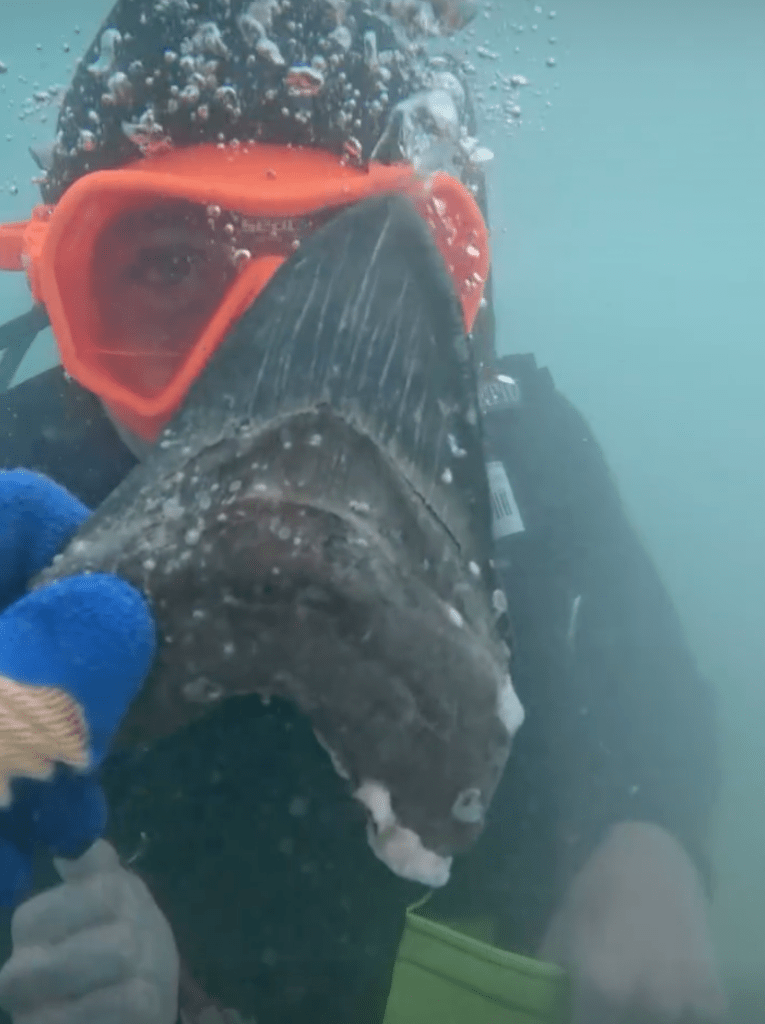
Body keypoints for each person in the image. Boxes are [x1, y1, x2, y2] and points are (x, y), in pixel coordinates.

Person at [0, 2, 727, 1023]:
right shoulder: (12, 483)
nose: (266, 383)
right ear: (62, 285)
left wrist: (646, 834)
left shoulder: (523, 455)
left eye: (337, 270)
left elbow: (645, 681)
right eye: (169, 268)